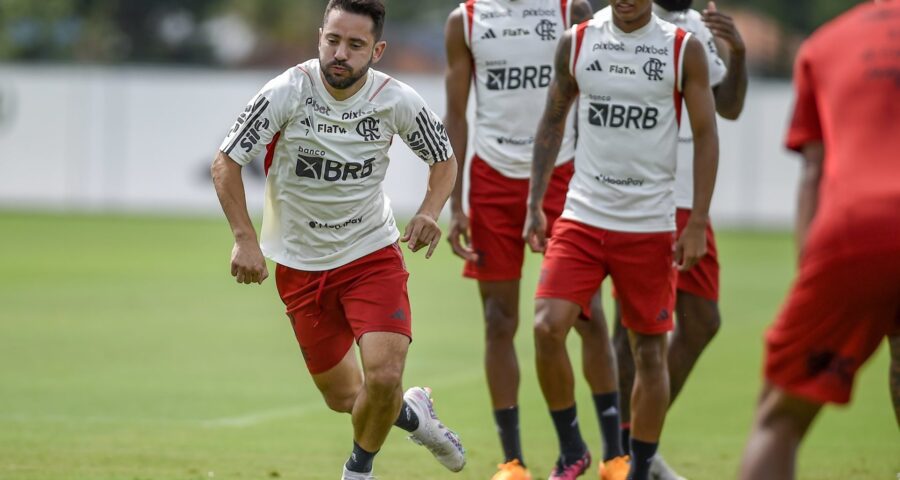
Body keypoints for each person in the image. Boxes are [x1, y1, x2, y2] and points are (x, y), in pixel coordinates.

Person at [210, 1, 466, 479]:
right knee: (348, 399)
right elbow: (226, 162)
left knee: (384, 377)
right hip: (300, 265)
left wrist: (431, 211)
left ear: (378, 50)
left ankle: (357, 470)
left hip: (371, 253)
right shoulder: (287, 91)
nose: (340, 54)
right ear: (319, 37)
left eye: (355, 45)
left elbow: (445, 159)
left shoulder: (396, 99)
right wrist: (244, 239)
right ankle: (416, 418)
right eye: (333, 40)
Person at [525, 0, 718, 478]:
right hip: (583, 216)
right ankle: (573, 447)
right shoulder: (577, 42)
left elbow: (707, 132)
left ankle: (639, 467)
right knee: (547, 327)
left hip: (650, 225)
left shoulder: (682, 50)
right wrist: (534, 203)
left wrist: (697, 221)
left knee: (649, 352)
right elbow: (552, 122)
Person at [443, 1, 625, 478]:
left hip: (565, 176)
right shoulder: (466, 19)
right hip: (491, 179)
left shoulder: (571, 8)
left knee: (587, 316)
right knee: (498, 320)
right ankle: (513, 461)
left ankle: (614, 456)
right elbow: (456, 114)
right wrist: (454, 200)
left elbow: (596, 96)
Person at [739, 1, 900, 478]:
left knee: (778, 418)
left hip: (860, 225)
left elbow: (813, 170)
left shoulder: (826, 43)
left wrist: (813, 278)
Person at [601, 1, 747, 478]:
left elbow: (730, 109)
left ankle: (640, 439)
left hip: (688, 198)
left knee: (702, 319)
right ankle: (624, 454)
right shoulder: (628, 25)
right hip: (642, 193)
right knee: (631, 329)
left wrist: (738, 53)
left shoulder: (697, 28)